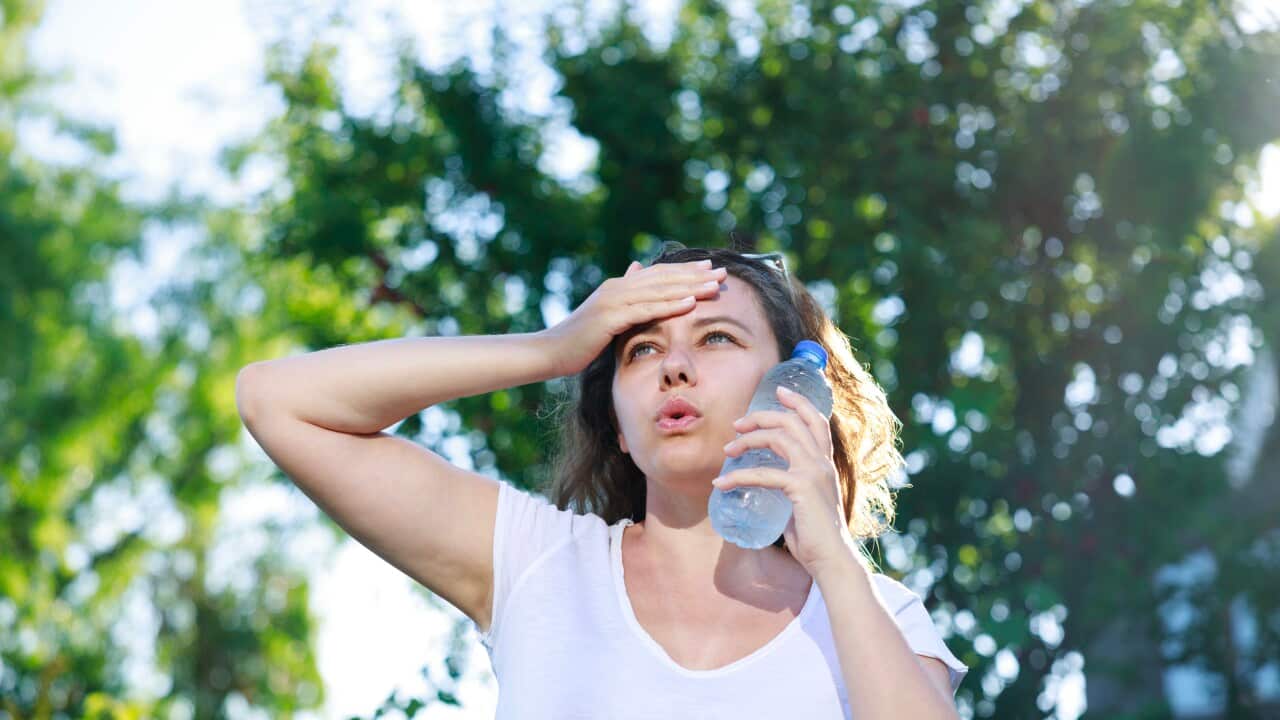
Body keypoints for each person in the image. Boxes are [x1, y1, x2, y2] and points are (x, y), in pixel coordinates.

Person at [235, 244, 968, 718]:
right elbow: (277, 402)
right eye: (642, 350)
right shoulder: (535, 561)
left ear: (792, 391)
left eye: (717, 337)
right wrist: (553, 348)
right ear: (617, 424)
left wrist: (833, 559)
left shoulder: (876, 615)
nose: (674, 367)